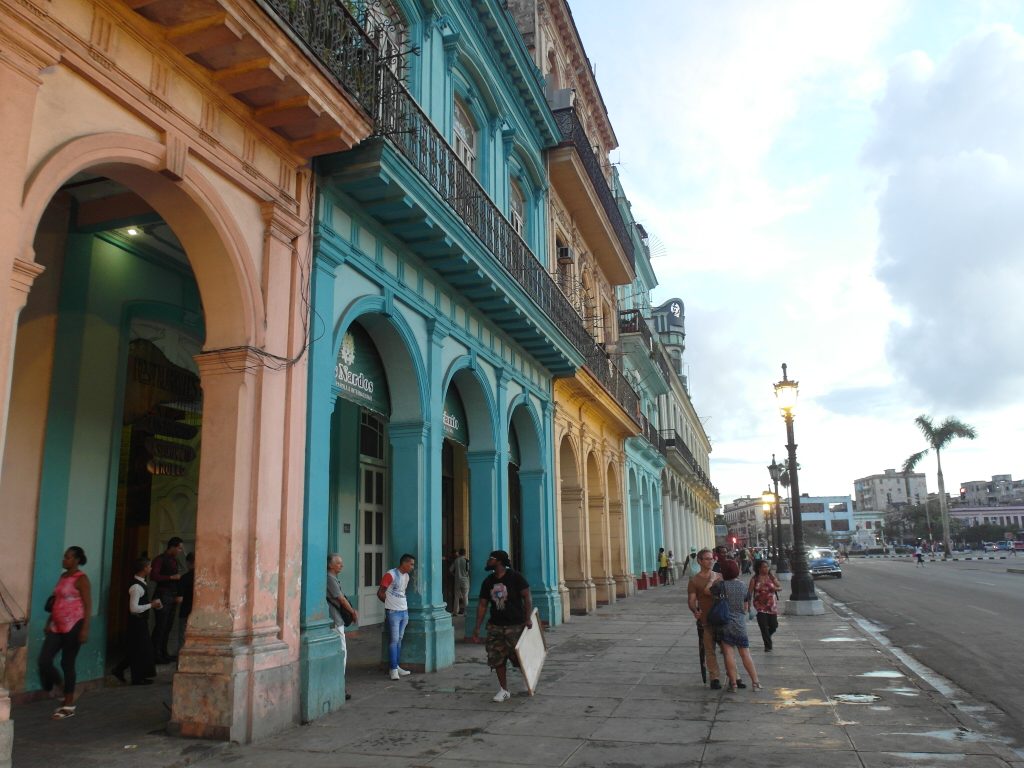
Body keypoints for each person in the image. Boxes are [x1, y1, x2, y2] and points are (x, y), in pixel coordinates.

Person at [471, 550, 532, 703]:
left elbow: (527, 596)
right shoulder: (488, 581)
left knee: (517, 657)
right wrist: (477, 627)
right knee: (496, 657)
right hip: (495, 626)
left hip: (515, 625)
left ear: (499, 561)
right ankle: (504, 690)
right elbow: (483, 605)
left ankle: (527, 678)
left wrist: (528, 618)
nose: (488, 561)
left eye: (490, 558)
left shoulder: (515, 577)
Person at [39, 546, 91, 720]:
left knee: (67, 663)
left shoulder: (81, 579)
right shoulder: (63, 577)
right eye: (64, 557)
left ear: (76, 560)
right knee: (44, 660)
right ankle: (62, 686)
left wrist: (85, 628)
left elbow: (88, 604)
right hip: (56, 625)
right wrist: (49, 622)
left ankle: (68, 704)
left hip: (74, 624)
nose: (64, 560)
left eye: (68, 557)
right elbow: (57, 601)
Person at [704, 559, 761, 692]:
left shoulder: (720, 586)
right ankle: (755, 682)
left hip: (725, 623)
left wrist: (713, 578)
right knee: (745, 654)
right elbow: (746, 606)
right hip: (740, 623)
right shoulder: (742, 586)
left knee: (729, 654)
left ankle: (734, 684)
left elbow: (707, 591)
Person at [112, 557, 161, 685]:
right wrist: (151, 606)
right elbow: (133, 608)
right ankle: (137, 678)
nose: (151, 569)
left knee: (138, 649)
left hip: (141, 621)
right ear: (145, 568)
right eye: (150, 566)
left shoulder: (141, 583)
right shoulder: (136, 586)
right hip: (136, 622)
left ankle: (121, 670)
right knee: (141, 649)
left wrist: (149, 603)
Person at [687, 548, 729, 690]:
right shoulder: (694, 580)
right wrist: (695, 610)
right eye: (707, 559)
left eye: (712, 558)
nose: (710, 561)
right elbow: (692, 599)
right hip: (705, 620)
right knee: (709, 649)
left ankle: (734, 675)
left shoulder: (719, 576)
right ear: (699, 561)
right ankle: (714, 677)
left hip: (722, 619)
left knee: (727, 649)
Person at [378, 553, 415, 680]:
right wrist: (389, 604)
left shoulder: (406, 577)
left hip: (404, 612)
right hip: (393, 612)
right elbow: (380, 592)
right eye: (411, 564)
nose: (412, 567)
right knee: (394, 641)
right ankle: (393, 669)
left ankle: (396, 666)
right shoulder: (391, 574)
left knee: (399, 640)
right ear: (404, 563)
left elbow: (402, 592)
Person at [327, 553, 358, 699]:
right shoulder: (330, 578)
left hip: (336, 619)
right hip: (335, 620)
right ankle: (340, 685)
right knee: (342, 652)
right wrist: (353, 612)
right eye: (338, 563)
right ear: (330, 565)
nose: (342, 565)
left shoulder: (332, 578)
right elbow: (341, 599)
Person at [151, 536, 184, 663]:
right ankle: (155, 654)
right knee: (161, 626)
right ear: (172, 547)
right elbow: (154, 576)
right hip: (162, 595)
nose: (180, 551)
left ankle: (164, 652)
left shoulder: (174, 560)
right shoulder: (160, 559)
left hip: (171, 595)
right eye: (179, 548)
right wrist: (171, 577)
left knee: (168, 626)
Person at [748, 559, 781, 652]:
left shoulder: (771, 576)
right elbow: (749, 593)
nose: (766, 569)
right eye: (764, 567)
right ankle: (768, 645)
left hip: (771, 605)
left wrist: (775, 588)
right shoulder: (754, 579)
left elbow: (779, 586)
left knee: (774, 625)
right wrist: (748, 604)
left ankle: (767, 636)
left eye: (767, 567)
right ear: (759, 568)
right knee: (763, 626)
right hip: (759, 606)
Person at [176, 551, 195, 656]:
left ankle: (180, 665)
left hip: (185, 612)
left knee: (183, 640)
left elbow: (179, 599)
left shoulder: (185, 578)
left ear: (188, 563)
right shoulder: (204, 577)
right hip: (199, 613)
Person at [449, 548, 470, 615]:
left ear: (459, 553)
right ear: (465, 553)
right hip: (465, 580)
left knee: (456, 597)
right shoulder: (466, 560)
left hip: (457, 580)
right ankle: (466, 612)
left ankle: (455, 612)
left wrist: (455, 575)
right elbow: (468, 570)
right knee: (465, 597)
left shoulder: (456, 560)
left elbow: (450, 570)